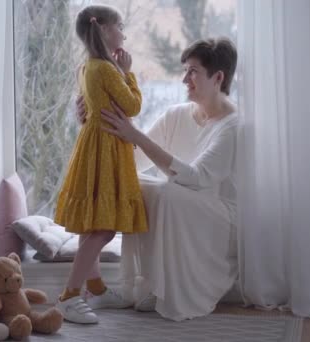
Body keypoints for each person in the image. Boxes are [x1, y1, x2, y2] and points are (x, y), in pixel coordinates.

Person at [78, 38, 239, 321]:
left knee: (165, 193)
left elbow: (197, 178)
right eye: (185, 70)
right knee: (133, 184)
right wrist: (96, 120)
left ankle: (165, 287)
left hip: (217, 214)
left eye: (193, 72)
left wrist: (135, 134)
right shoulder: (176, 114)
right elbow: (133, 158)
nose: (184, 79)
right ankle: (136, 284)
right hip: (180, 199)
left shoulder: (233, 125)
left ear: (218, 77)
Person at [53, 4, 148, 324]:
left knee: (94, 223)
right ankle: (69, 295)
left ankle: (96, 287)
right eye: (120, 26)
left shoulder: (87, 68)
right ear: (105, 30)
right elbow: (132, 106)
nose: (123, 32)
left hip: (94, 148)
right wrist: (128, 72)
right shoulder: (108, 70)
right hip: (105, 151)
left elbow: (91, 107)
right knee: (104, 229)